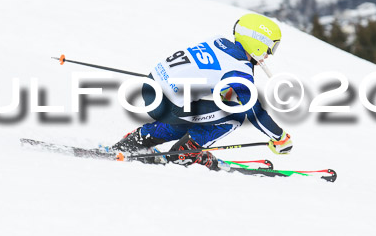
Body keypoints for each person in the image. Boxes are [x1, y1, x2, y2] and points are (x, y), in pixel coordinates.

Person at [111, 13, 293, 170]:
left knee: (203, 112)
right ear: (258, 42)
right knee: (235, 116)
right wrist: (279, 137)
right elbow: (254, 112)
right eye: (271, 47)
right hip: (168, 104)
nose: (269, 54)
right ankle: (186, 152)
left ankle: (142, 138)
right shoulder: (239, 69)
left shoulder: (218, 41)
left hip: (150, 90)